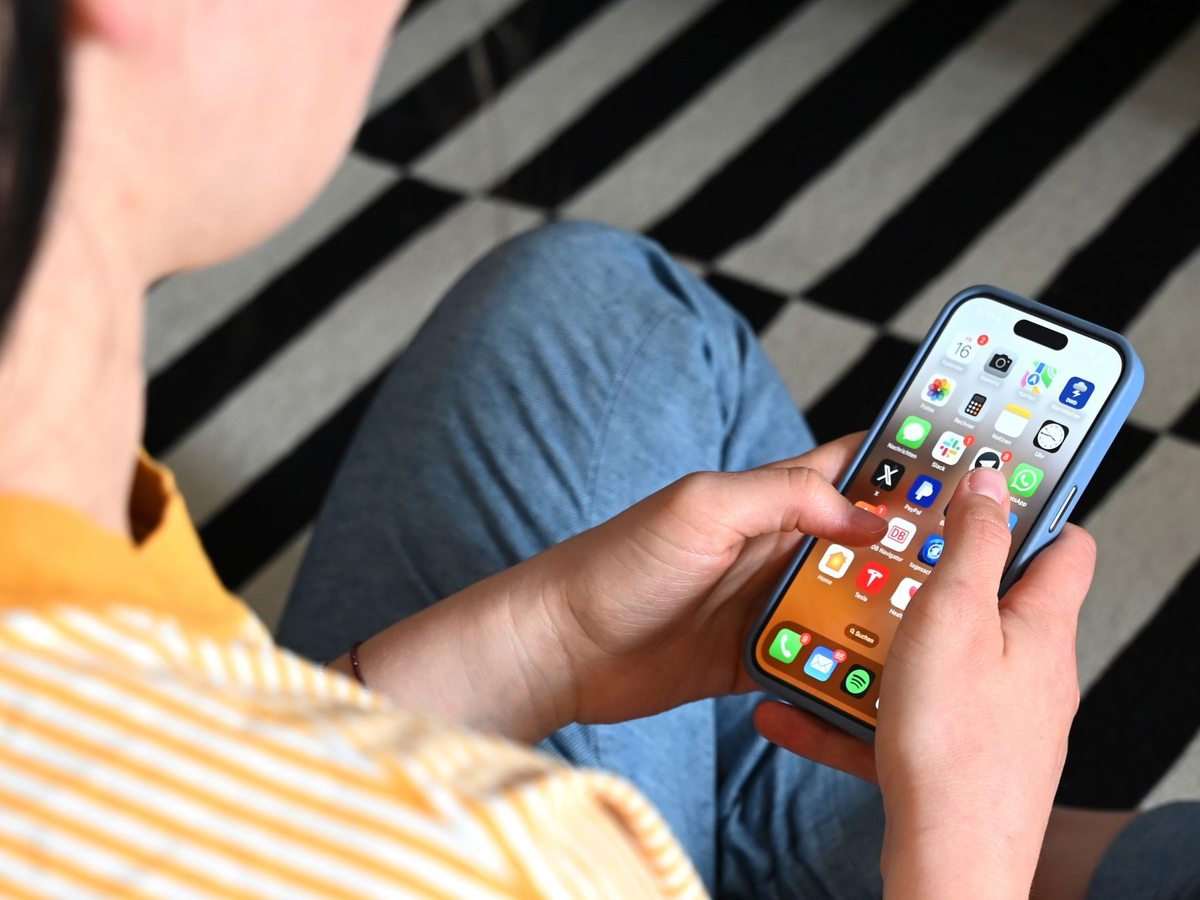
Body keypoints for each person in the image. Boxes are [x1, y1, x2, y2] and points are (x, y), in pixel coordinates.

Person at [0, 0, 1194, 896]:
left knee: (592, 300)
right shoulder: (505, 856)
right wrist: (966, 850)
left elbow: (225, 802)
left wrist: (546, 644)